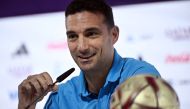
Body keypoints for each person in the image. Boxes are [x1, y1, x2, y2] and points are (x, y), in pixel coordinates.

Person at [18, 0, 160, 109]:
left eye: (91, 34)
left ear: (114, 35)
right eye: (73, 36)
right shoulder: (61, 97)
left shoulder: (141, 77)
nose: (82, 47)